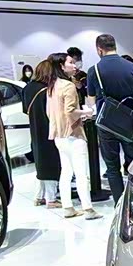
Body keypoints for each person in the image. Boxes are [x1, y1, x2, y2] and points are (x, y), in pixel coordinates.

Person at [86, 33, 133, 205]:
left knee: (112, 167)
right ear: (115, 46)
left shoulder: (94, 70)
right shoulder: (132, 67)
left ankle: (119, 204)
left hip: (107, 124)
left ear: (99, 49)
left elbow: (91, 101)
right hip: (130, 123)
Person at [46, 52, 101, 220]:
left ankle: (68, 207)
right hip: (73, 134)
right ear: (61, 66)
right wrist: (86, 112)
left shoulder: (52, 86)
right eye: (70, 62)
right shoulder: (68, 86)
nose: (74, 65)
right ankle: (88, 209)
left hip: (58, 134)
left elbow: (50, 112)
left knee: (66, 171)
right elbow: (70, 112)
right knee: (81, 173)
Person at [22, 60, 61, 208]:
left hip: (35, 128)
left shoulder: (28, 88)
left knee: (40, 163)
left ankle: (39, 196)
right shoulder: (48, 90)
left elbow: (25, 109)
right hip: (49, 128)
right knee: (51, 163)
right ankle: (51, 199)